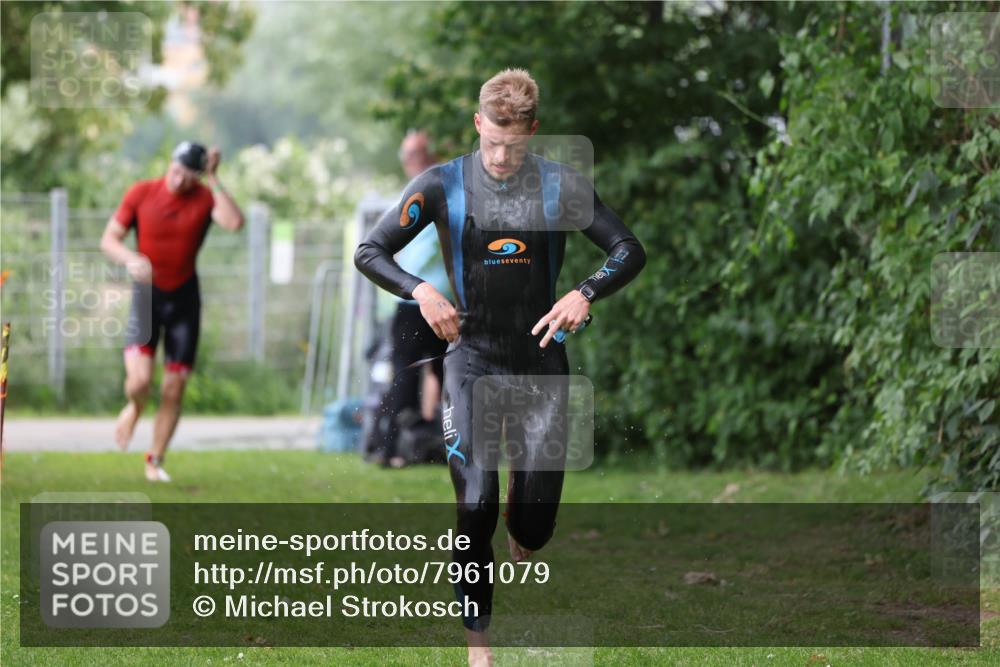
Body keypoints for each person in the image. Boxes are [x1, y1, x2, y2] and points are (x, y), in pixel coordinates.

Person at [355, 69, 645, 666]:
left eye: (513, 146)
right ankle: (479, 648)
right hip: (472, 360)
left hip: (539, 363)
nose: (500, 158)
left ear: (532, 132)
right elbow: (370, 251)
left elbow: (627, 249)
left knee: (533, 530)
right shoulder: (441, 184)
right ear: (477, 123)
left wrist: (584, 292)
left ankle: (523, 504)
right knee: (474, 505)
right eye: (491, 143)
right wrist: (421, 291)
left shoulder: (560, 186)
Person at [100, 141, 245, 482]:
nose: (179, 181)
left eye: (189, 176)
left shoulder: (205, 197)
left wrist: (213, 177)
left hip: (184, 301)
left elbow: (235, 222)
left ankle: (154, 459)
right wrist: (131, 259)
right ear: (170, 163)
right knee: (139, 382)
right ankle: (135, 407)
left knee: (174, 389)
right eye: (176, 172)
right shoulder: (141, 193)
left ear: (198, 177)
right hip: (147, 298)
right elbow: (109, 240)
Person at [365, 131, 451, 468]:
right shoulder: (410, 199)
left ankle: (451, 448)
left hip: (447, 305)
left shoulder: (442, 193)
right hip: (412, 305)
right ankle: (386, 448)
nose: (412, 161)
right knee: (403, 377)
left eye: (418, 153)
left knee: (451, 376)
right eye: (408, 156)